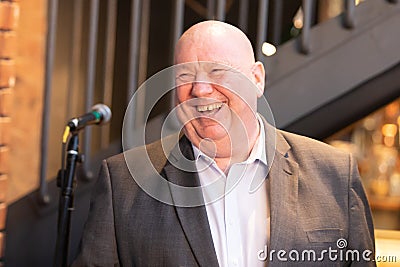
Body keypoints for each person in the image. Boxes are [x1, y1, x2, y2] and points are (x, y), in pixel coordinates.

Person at [72, 20, 375, 266]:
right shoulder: (124, 183)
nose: (200, 89)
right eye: (185, 75)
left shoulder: (334, 173)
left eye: (217, 71)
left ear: (257, 78)